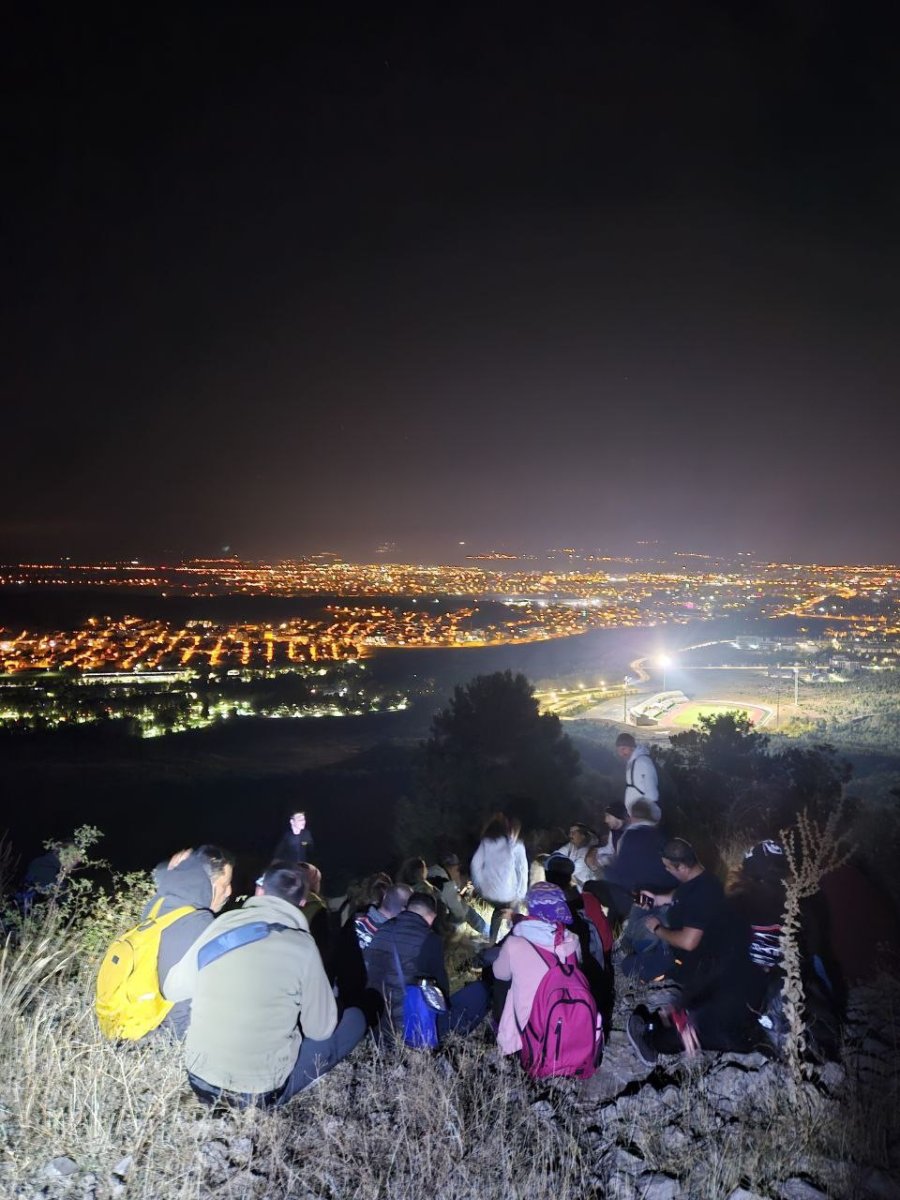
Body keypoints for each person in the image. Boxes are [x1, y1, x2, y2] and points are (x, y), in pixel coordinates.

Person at [165, 863, 366, 1107]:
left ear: (259, 891)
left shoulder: (222, 924)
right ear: (303, 903)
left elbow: (173, 988)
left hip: (199, 1080)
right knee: (355, 1020)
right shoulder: (303, 946)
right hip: (257, 1095)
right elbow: (320, 1031)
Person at [625, 840, 767, 1066]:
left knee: (630, 967)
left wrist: (658, 929)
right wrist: (658, 899)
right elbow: (680, 895)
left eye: (668, 867)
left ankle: (653, 1037)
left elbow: (692, 944)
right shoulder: (705, 881)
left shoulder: (714, 905)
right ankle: (668, 1021)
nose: (666, 870)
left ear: (681, 867)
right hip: (727, 983)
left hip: (693, 965)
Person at [364, 892, 488, 1041]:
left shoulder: (382, 930)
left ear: (406, 909)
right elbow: (441, 994)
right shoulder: (429, 940)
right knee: (479, 992)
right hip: (410, 1026)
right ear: (432, 916)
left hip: (376, 1024)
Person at [146, 845, 234, 1039]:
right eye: (224, 884)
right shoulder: (201, 924)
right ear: (206, 882)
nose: (229, 891)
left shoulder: (157, 903)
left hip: (143, 1025)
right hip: (174, 1039)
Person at [492, 882, 582, 1058]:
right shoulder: (572, 940)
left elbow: (499, 974)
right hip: (564, 1020)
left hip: (530, 1031)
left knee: (502, 983)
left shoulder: (515, 942)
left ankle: (504, 1033)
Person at [586, 800, 674, 922]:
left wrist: (600, 869)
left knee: (594, 889)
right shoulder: (664, 837)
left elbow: (622, 877)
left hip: (643, 901)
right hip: (668, 898)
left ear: (632, 817)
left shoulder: (630, 836)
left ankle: (612, 936)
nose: (606, 821)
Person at [470, 813, 529, 943]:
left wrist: (481, 884)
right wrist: (520, 895)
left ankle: (492, 940)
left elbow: (475, 864)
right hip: (507, 894)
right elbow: (523, 870)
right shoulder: (516, 845)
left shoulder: (485, 843)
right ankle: (517, 938)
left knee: (498, 912)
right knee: (514, 910)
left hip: (488, 893)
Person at [427, 853, 489, 937]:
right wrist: (462, 902)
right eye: (457, 870)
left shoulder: (429, 873)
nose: (458, 873)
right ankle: (488, 932)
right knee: (466, 911)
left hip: (424, 918)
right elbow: (460, 914)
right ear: (451, 867)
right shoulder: (446, 884)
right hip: (437, 926)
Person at [615, 733, 660, 819]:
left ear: (632, 747)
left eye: (623, 749)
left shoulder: (642, 762)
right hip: (637, 817)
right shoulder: (633, 762)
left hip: (644, 818)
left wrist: (644, 817)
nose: (621, 753)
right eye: (619, 751)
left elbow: (652, 794)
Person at [553, 823, 599, 890]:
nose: (570, 835)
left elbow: (570, 870)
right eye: (570, 833)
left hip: (585, 890)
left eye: (573, 833)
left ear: (582, 836)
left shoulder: (589, 851)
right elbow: (556, 855)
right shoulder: (571, 845)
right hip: (572, 885)